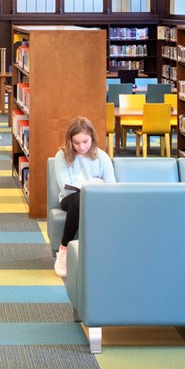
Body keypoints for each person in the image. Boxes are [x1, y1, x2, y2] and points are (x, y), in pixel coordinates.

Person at [50, 115, 117, 278]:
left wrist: (90, 186)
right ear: (70, 141)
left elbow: (111, 185)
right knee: (81, 197)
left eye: (85, 142)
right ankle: (64, 250)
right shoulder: (62, 156)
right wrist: (93, 183)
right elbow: (65, 185)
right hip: (70, 198)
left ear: (92, 137)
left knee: (86, 197)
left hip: (97, 199)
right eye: (76, 143)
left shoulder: (102, 157)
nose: (81, 147)